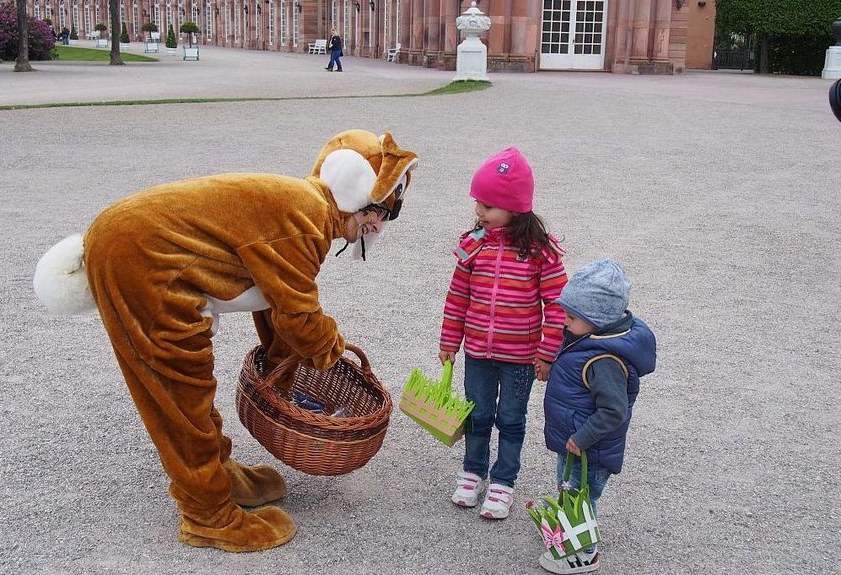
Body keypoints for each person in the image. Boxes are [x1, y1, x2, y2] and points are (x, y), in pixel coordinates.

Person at [33, 129, 418, 553]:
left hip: (142, 247)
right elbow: (298, 315)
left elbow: (272, 300)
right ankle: (207, 515)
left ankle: (219, 473)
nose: (380, 224)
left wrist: (281, 363)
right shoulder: (307, 219)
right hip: (143, 261)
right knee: (180, 392)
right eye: (382, 210)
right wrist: (328, 349)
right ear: (359, 198)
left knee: (192, 388)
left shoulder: (308, 210)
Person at [439, 147, 568, 520]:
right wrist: (450, 340)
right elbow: (457, 295)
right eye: (478, 204)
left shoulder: (540, 252)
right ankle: (473, 471)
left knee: (511, 418)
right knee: (477, 414)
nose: (479, 212)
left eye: (487, 206)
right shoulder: (474, 244)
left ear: (514, 208)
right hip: (478, 351)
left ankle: (504, 481)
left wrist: (547, 352)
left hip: (520, 358)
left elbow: (557, 305)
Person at [538, 259, 657, 574]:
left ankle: (584, 553)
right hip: (576, 442)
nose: (565, 323)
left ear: (597, 319)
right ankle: (569, 534)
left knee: (582, 496)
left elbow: (614, 410)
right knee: (570, 489)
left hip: (589, 447)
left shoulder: (603, 360)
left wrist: (582, 437)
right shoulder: (587, 340)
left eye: (572, 317)